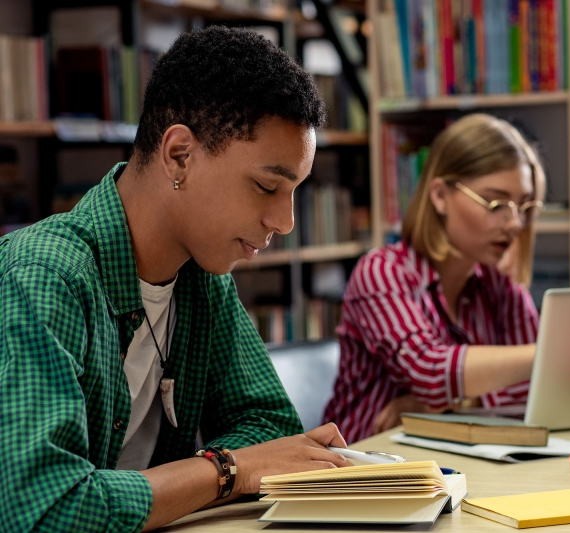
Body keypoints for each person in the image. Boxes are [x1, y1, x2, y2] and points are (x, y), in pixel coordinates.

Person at [0, 27, 353, 533]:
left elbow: (271, 429)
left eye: (295, 190)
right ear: (180, 154)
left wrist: (214, 474)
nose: (286, 221)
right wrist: (226, 472)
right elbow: (44, 509)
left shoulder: (204, 276)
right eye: (266, 186)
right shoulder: (42, 277)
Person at [323, 113, 546, 443]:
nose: (514, 223)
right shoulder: (382, 272)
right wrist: (548, 354)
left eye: (523, 206)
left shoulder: (500, 282)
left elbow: (534, 395)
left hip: (455, 461)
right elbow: (430, 371)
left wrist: (448, 405)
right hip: (362, 470)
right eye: (496, 202)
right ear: (440, 195)